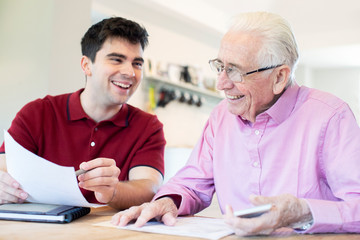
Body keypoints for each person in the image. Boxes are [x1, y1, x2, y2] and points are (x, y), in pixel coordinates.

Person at [111, 11, 360, 235]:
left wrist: (302, 212)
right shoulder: (221, 117)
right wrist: (166, 202)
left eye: (235, 71)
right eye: (220, 66)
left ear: (280, 76)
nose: (221, 83)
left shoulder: (331, 117)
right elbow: (191, 184)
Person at [0, 17, 166, 210]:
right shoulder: (37, 113)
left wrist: (112, 191)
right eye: (117, 60)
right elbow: (4, 169)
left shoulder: (148, 127)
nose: (130, 72)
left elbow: (149, 187)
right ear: (86, 65)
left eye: (137, 63)